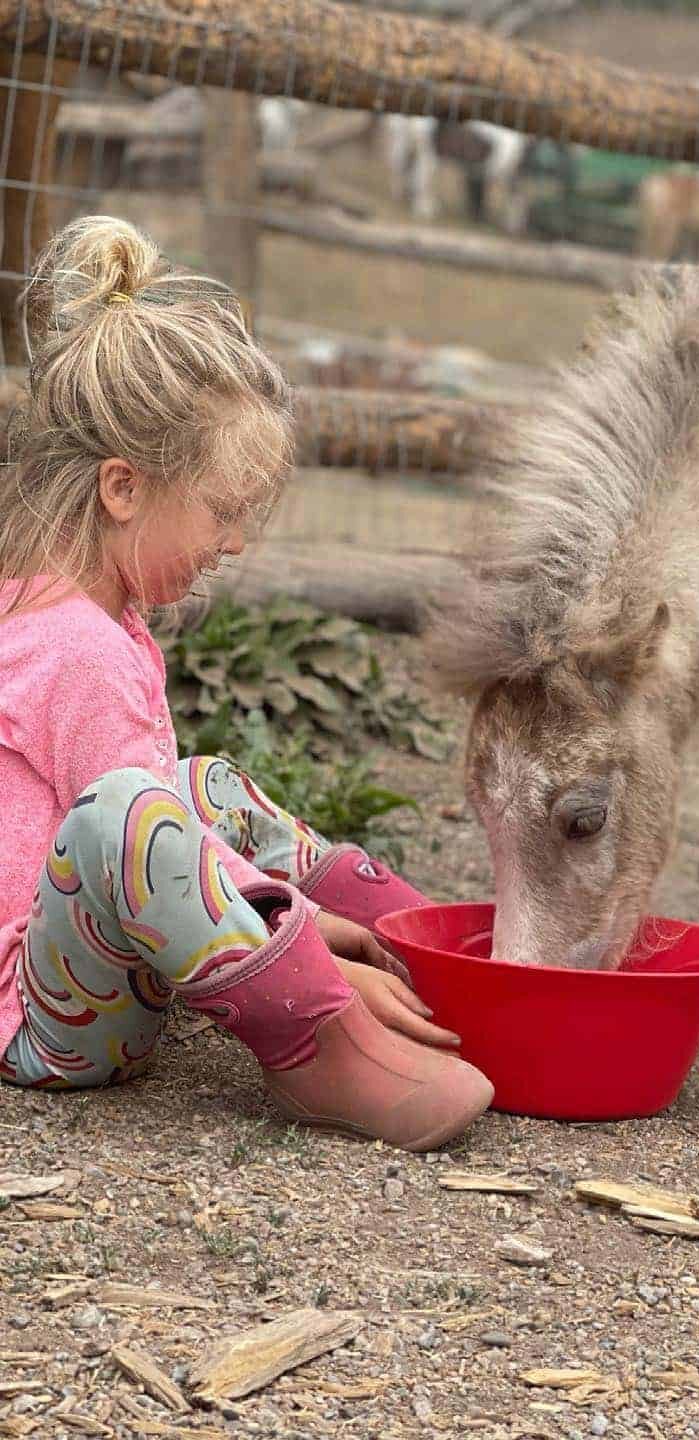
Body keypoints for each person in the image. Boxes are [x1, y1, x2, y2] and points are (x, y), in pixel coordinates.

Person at [0, 215, 492, 1151]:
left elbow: (175, 829)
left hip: (87, 976)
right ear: (122, 489)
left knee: (198, 787)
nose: (234, 542)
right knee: (128, 812)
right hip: (43, 1025)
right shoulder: (75, 650)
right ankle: (316, 1035)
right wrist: (313, 944)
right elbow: (136, 838)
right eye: (222, 512)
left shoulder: (93, 619)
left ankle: (413, 932)